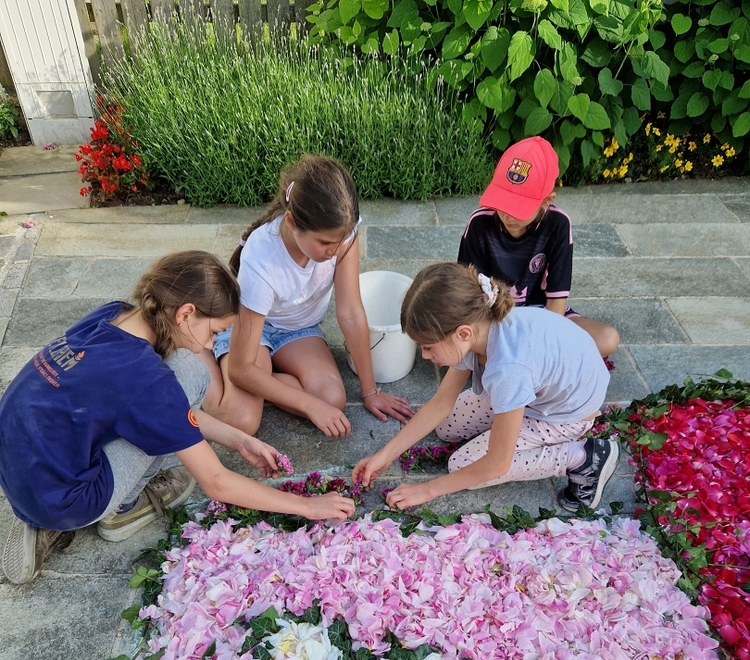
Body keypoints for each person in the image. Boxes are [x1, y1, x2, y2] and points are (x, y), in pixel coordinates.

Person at [0, 251, 355, 585]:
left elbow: (161, 410)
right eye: (214, 332)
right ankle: (121, 509)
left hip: (15, 467)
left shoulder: (112, 315)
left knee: (163, 393)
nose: (209, 345)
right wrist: (308, 507)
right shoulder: (149, 381)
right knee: (190, 370)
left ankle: (38, 505)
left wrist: (239, 439)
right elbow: (216, 482)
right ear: (185, 313)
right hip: (66, 499)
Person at [353, 263, 619, 512]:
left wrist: (427, 490)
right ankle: (510, 424)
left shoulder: (508, 369)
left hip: (565, 415)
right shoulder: (476, 327)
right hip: (542, 387)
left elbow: (498, 463)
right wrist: (385, 455)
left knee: (462, 466)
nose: (424, 356)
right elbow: (441, 403)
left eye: (429, 347)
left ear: (463, 333)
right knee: (446, 426)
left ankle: (582, 457)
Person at [201, 155, 414, 438]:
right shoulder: (262, 259)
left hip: (298, 331)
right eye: (324, 243)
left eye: (340, 241)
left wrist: (370, 391)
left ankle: (263, 379)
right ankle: (198, 352)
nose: (334, 251)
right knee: (241, 419)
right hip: (251, 332)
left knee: (332, 400)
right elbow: (241, 369)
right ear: (291, 221)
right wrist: (308, 404)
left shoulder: (342, 233)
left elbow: (350, 312)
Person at [457, 135, 619, 359]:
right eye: (503, 202)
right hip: (492, 317)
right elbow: (468, 294)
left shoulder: (558, 225)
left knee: (607, 338)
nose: (507, 215)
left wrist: (538, 343)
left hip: (542, 315)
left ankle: (520, 359)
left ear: (547, 201)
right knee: (452, 340)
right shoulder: (479, 223)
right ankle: (525, 359)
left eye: (518, 207)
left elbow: (556, 304)